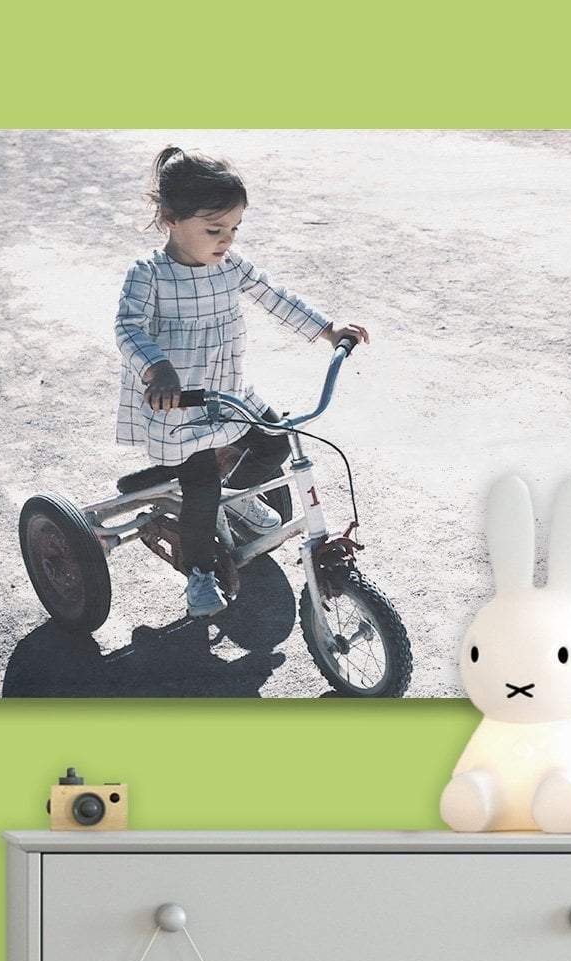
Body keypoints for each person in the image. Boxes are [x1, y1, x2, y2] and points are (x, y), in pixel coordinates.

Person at [115, 145, 369, 617]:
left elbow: (273, 295)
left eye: (233, 229)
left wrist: (326, 328)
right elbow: (128, 327)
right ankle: (200, 572)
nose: (226, 240)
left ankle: (235, 501)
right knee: (201, 486)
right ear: (171, 219)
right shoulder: (149, 275)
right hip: (179, 405)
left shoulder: (230, 266)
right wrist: (158, 369)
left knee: (275, 444)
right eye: (214, 229)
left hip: (228, 390)